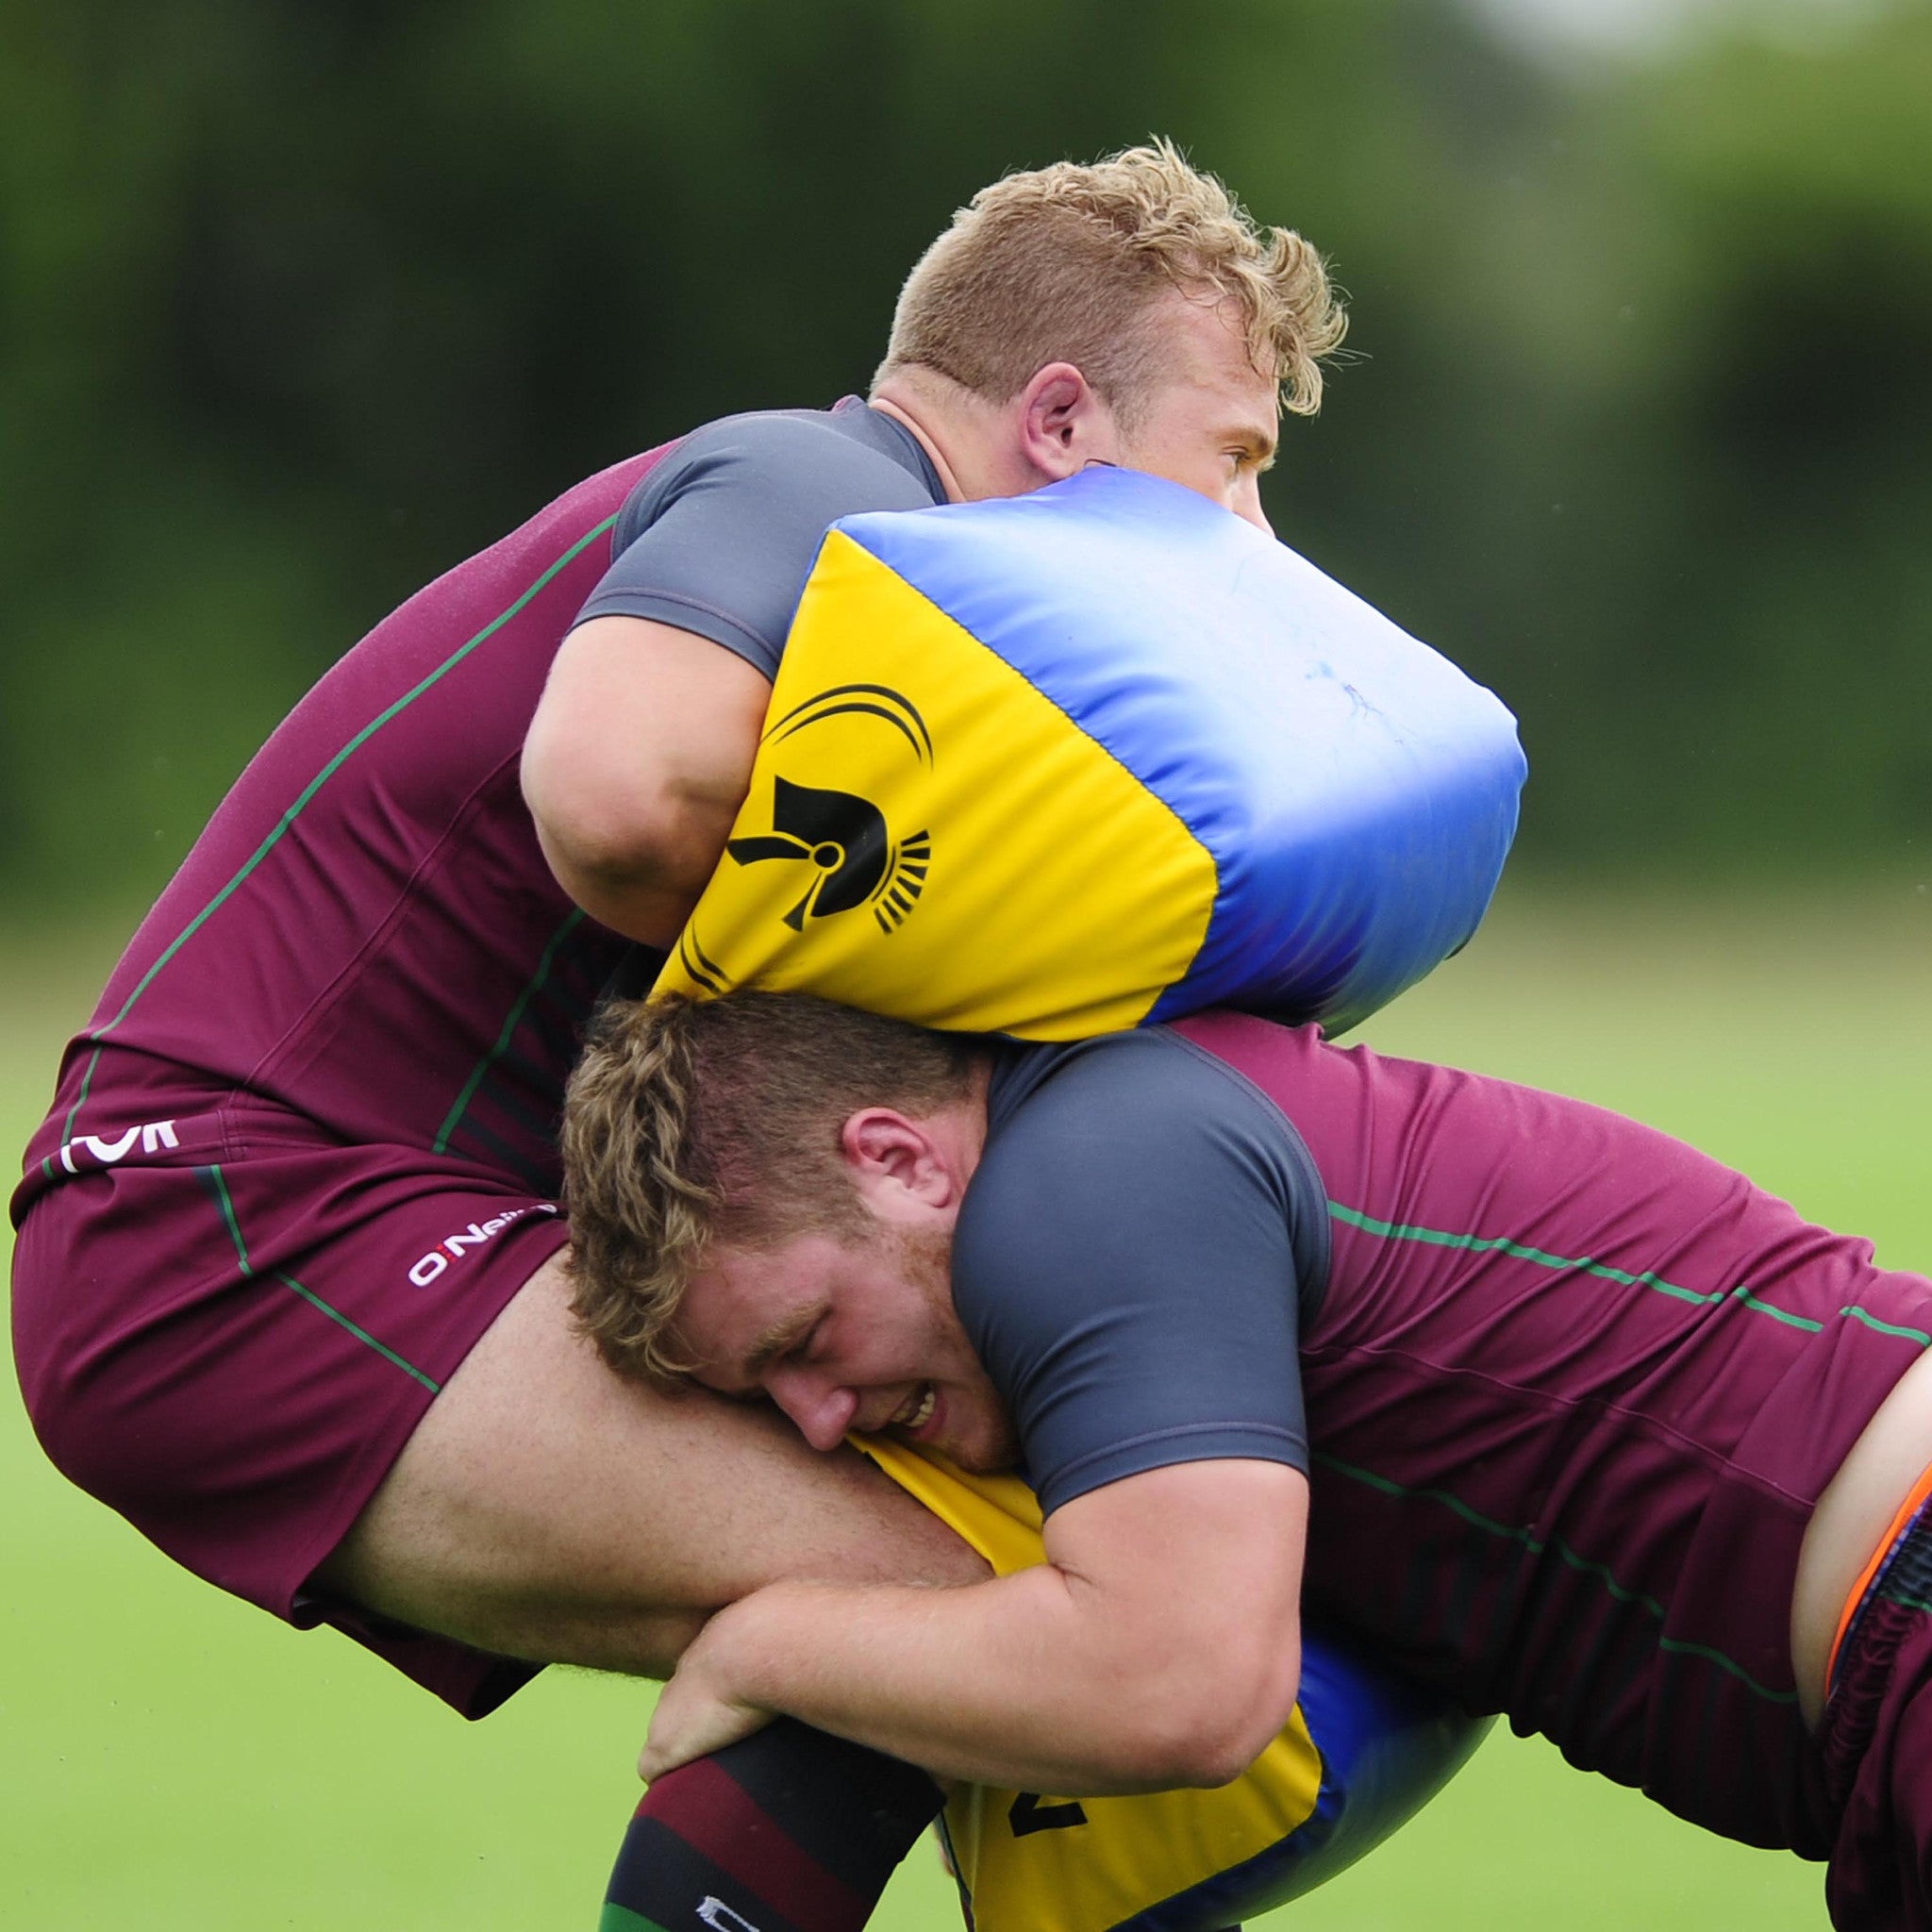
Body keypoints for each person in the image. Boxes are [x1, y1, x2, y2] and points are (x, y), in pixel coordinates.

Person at [10, 144, 1376, 1929]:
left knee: (1058, 1586)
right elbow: (617, 796)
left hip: (336, 1210)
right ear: (1057, 418)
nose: (1252, 544)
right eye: (1235, 466)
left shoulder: (927, 621)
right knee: (1040, 1613)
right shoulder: (829, 482)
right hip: (218, 1227)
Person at [561, 989, 1932, 1930]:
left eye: (808, 1336)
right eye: (766, 1395)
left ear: (900, 1159)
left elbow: (1182, 1685)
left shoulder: (1080, 1181)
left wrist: (771, 1642)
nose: (817, 1418)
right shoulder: (1133, 1127)